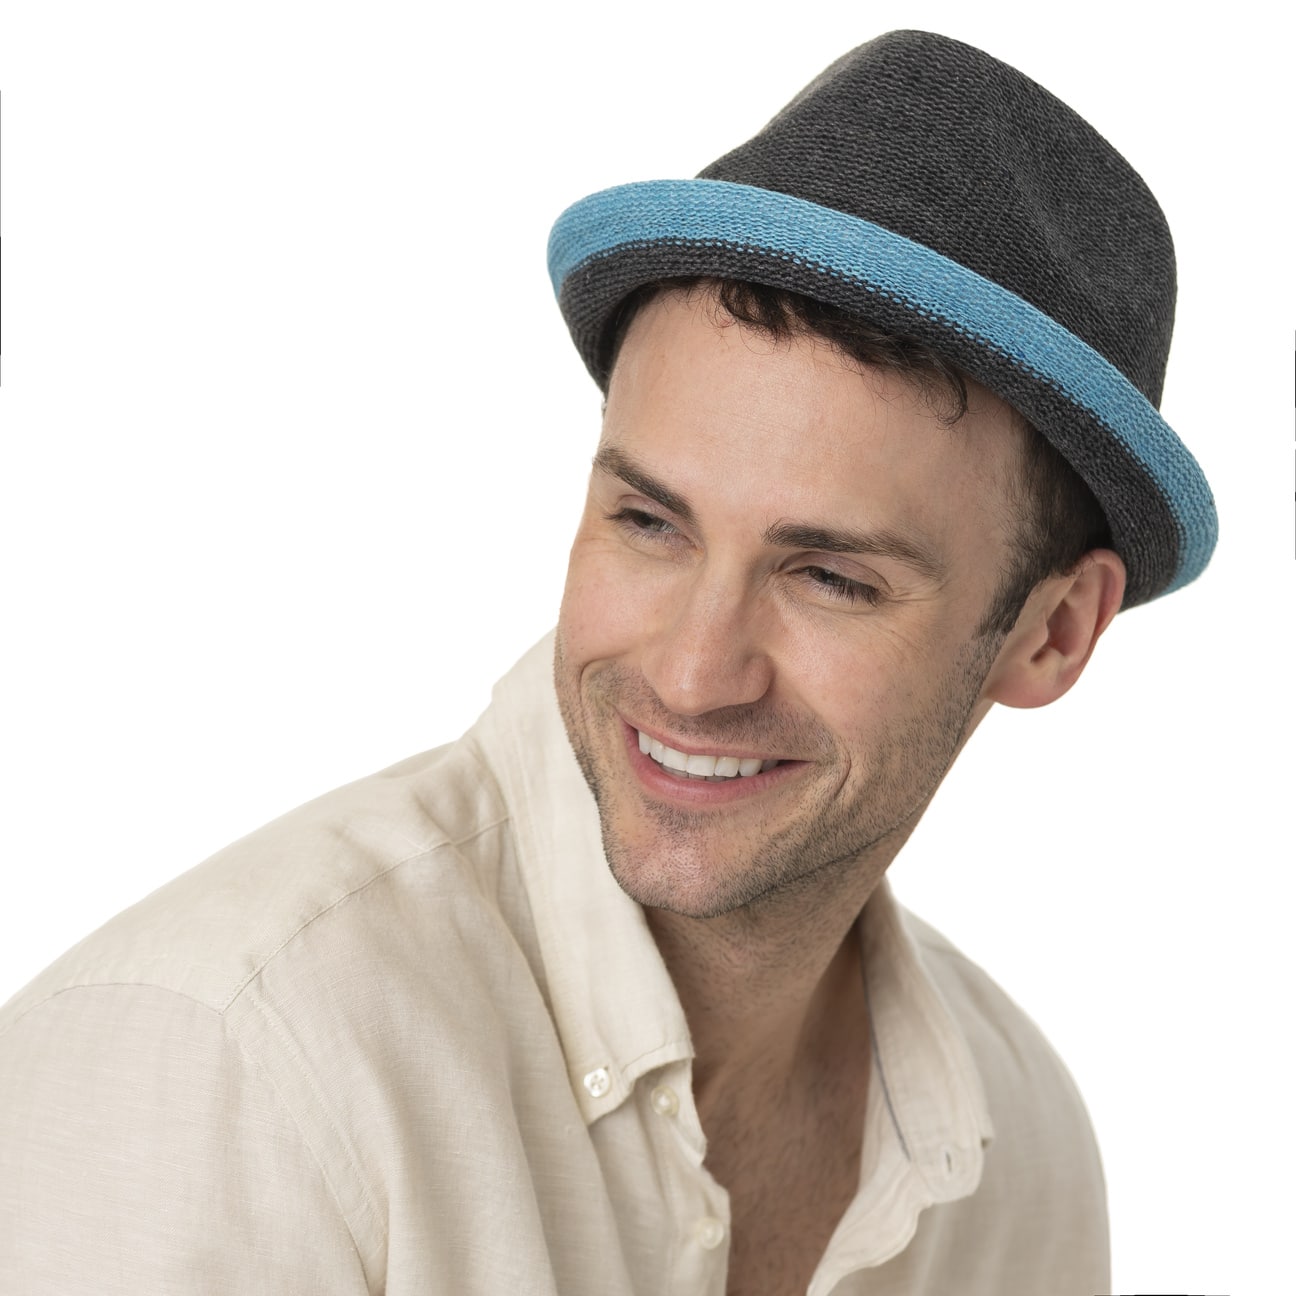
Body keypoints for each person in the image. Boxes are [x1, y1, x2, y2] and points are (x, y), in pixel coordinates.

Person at [0, 29, 1215, 1296]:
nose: (692, 675)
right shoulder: (226, 1074)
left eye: (830, 578)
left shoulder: (1022, 1155)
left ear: (1052, 632)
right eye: (649, 522)